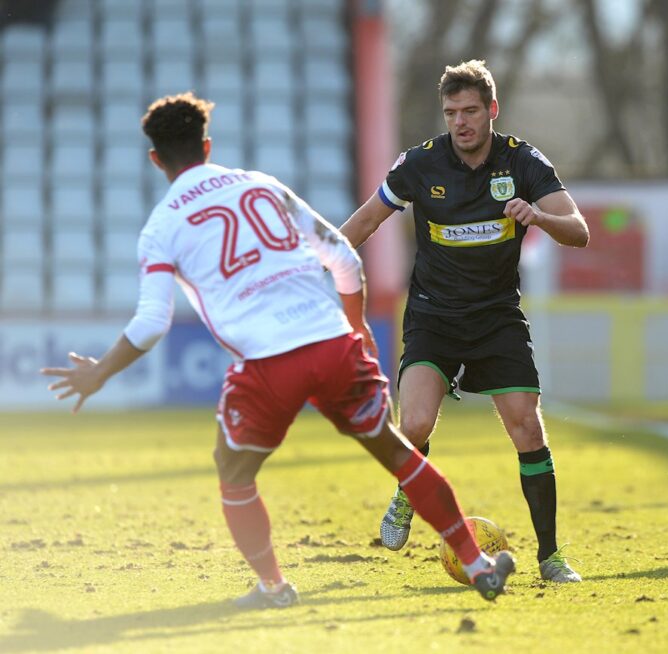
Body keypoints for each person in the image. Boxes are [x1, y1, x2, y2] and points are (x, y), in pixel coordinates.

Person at [40, 92, 515, 609]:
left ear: (155, 158)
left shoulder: (161, 227)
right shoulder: (261, 185)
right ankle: (477, 565)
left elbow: (152, 321)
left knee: (234, 471)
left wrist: (101, 372)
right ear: (207, 145)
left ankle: (273, 587)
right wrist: (355, 332)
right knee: (398, 454)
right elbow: (343, 259)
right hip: (332, 344)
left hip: (269, 364)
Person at [339, 60, 589, 582]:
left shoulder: (522, 161)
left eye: (471, 111)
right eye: (452, 112)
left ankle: (551, 556)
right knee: (414, 424)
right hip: (433, 314)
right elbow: (365, 220)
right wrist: (320, 264)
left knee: (525, 423)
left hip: (496, 316)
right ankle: (407, 493)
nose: (461, 122)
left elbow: (579, 230)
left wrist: (538, 217)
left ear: (492, 110)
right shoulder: (420, 165)